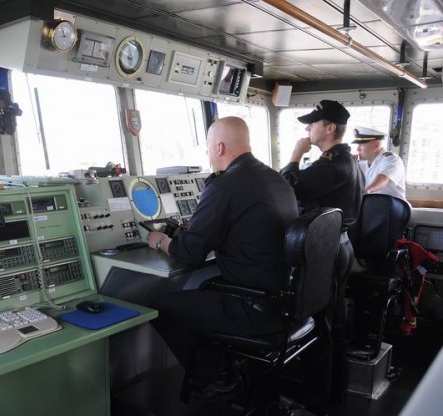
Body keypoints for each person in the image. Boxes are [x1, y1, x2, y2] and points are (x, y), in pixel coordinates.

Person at [146, 116, 299, 397]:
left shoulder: (223, 186)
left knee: (158, 306)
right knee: (205, 287)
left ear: (219, 147)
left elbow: (188, 253)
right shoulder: (276, 179)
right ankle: (230, 366)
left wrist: (161, 242)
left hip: (254, 307)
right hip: (288, 302)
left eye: (207, 146)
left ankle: (216, 378)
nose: (207, 152)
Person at [280, 100, 364, 413]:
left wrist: (295, 155)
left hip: (326, 252)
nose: (308, 128)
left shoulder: (332, 164)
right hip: (339, 247)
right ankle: (334, 394)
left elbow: (288, 186)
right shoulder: (345, 160)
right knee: (334, 324)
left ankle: (316, 402)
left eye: (313, 123)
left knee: (320, 326)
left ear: (330, 128)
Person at [353, 126, 406, 199]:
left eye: (361, 144)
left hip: (393, 204)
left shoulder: (392, 159)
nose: (358, 149)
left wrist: (367, 190)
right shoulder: (361, 164)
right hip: (373, 204)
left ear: (376, 145)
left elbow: (384, 178)